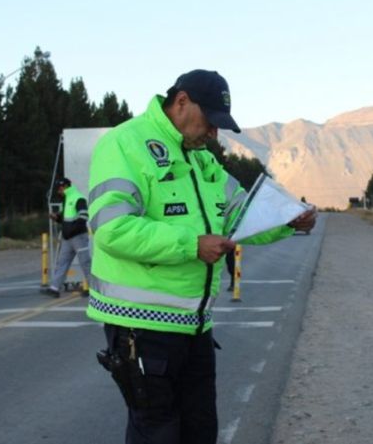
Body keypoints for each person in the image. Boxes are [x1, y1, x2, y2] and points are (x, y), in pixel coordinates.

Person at [87, 69, 316, 444]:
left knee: (200, 432)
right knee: (157, 434)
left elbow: (241, 214)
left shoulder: (201, 160)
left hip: (194, 328)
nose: (213, 133)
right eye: (210, 121)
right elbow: (112, 228)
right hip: (142, 330)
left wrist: (290, 220)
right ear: (181, 102)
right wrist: (192, 245)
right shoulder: (124, 144)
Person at [42, 177, 91, 298]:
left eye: (59, 189)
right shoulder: (67, 199)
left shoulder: (78, 198)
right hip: (68, 238)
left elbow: (84, 216)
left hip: (78, 237)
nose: (58, 192)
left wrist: (72, 229)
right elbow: (65, 219)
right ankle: (54, 288)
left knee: (85, 263)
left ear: (64, 187)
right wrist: (56, 218)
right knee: (62, 262)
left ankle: (94, 290)